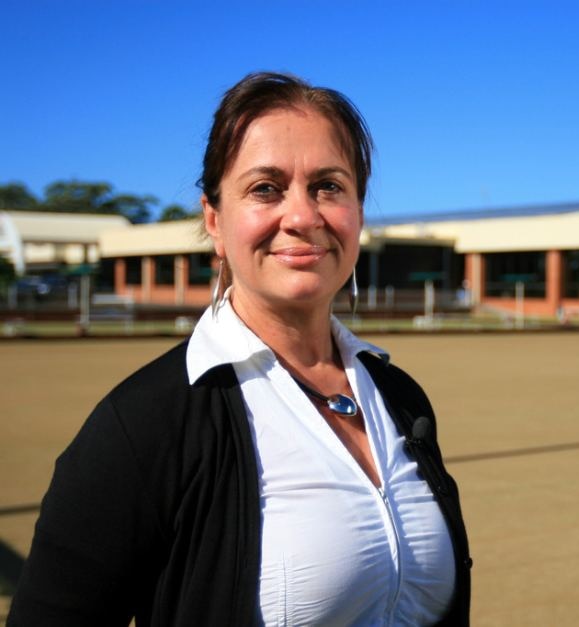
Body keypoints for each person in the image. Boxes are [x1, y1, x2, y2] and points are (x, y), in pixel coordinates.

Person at [9, 72, 471, 626]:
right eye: (265, 189)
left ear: (358, 213)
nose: (303, 217)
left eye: (329, 185)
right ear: (214, 221)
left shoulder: (400, 397)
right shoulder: (144, 424)